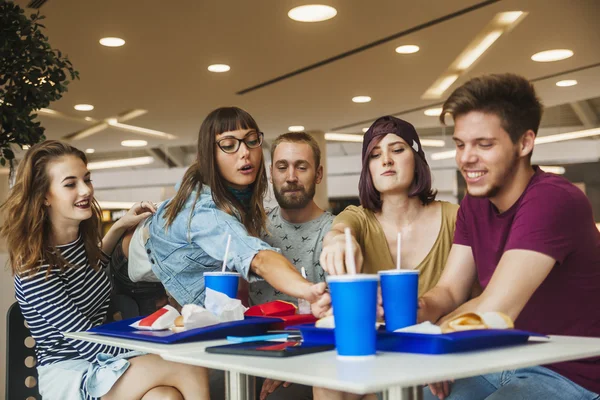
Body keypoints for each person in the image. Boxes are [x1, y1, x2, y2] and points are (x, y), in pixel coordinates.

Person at [419, 73, 600, 400]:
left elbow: (495, 309)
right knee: (424, 395)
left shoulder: (552, 200)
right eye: (460, 144)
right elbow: (447, 291)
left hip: (572, 372)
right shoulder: (474, 205)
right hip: (503, 359)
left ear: (525, 143)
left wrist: (431, 343)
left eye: (483, 144)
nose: (466, 158)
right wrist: (404, 312)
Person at [1, 140, 210, 400]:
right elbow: (85, 341)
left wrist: (121, 225)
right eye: (70, 184)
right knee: (187, 365)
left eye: (86, 179)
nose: (85, 190)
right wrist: (153, 347)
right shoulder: (35, 269)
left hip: (102, 365)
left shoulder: (77, 246)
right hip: (71, 375)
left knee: (164, 397)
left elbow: (93, 266)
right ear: (44, 196)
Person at [312, 116, 461, 400]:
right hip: (376, 354)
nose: (386, 161)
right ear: (368, 168)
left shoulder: (453, 217)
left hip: (436, 352)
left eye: (398, 149)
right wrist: (335, 244)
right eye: (375, 155)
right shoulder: (358, 218)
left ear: (417, 157)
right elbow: (341, 231)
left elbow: (469, 297)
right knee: (327, 379)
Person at [145, 106, 327, 309]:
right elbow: (258, 258)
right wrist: (310, 292)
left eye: (251, 141)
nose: (245, 153)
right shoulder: (204, 211)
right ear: (209, 155)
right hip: (138, 293)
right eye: (229, 145)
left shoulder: (239, 200)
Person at [249, 132, 334, 400]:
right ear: (271, 173)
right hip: (250, 351)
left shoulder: (336, 233)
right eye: (282, 167)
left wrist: (295, 360)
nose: (291, 177)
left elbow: (337, 317)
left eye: (302, 166)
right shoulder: (251, 230)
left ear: (318, 174)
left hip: (312, 354)